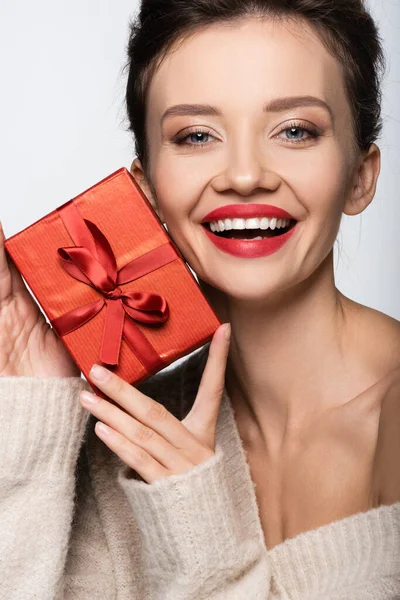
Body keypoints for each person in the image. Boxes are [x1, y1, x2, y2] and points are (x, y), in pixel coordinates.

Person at [1, 0, 399, 598]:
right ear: (148, 191)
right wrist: (29, 422)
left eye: (295, 130)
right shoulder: (123, 436)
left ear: (360, 176)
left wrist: (201, 537)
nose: (244, 175)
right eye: (196, 135)